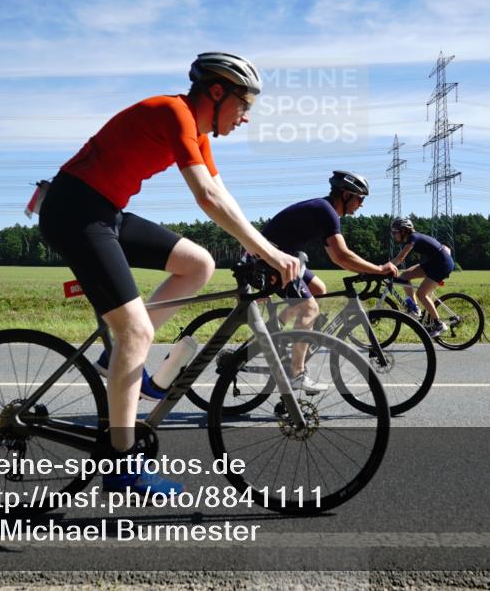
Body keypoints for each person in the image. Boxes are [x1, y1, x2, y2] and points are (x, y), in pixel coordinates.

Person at [38, 52, 299, 495]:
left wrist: (262, 249)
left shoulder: (198, 131)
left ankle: (115, 358)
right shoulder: (172, 111)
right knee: (136, 332)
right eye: (245, 105)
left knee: (198, 264)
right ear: (216, 93)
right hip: (74, 212)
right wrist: (270, 251)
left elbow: (221, 193)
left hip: (107, 212)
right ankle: (121, 469)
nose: (246, 117)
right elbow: (206, 198)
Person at [259, 171, 399, 391]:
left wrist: (372, 270)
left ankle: (281, 333)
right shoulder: (327, 211)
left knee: (318, 288)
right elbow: (342, 256)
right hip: (270, 259)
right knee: (310, 309)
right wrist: (379, 269)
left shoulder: (325, 210)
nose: (361, 205)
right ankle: (296, 373)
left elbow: (336, 258)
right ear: (345, 195)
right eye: (360, 199)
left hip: (282, 257)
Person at [388, 217, 455, 338]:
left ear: (404, 230)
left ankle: (438, 324)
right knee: (404, 276)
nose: (393, 235)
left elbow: (401, 258)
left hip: (442, 264)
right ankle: (415, 309)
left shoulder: (413, 237)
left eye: (395, 232)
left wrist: (384, 268)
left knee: (421, 293)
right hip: (435, 262)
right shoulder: (413, 237)